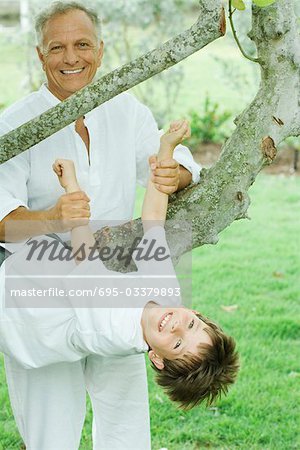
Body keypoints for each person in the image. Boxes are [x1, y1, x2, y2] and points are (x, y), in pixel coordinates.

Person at [0, 2, 202, 449]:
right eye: (58, 47)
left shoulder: (126, 111)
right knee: (51, 434)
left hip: (120, 292)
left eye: (82, 44)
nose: (72, 57)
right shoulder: (14, 124)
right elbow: (1, 220)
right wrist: (55, 216)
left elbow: (173, 168)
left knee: (126, 427)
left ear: (101, 49)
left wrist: (177, 172)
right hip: (41, 306)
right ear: (40, 55)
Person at [0, 120, 239, 413]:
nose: (177, 326)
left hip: (19, 312)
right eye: (192, 325)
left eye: (177, 345)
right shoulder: (168, 300)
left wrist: (73, 186)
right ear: (197, 314)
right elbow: (154, 223)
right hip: (41, 274)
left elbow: (84, 259)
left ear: (157, 359)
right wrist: (166, 148)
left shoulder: (114, 328)